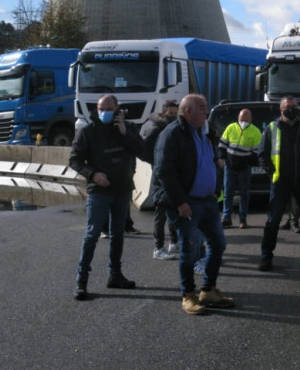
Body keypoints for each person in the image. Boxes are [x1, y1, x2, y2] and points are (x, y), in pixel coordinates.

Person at [150, 94, 235, 315]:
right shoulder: (172, 135)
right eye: (202, 108)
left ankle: (208, 289)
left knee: (218, 244)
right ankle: (188, 295)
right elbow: (164, 172)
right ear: (187, 111)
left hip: (207, 201)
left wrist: (216, 186)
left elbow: (212, 161)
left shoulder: (205, 131)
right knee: (190, 250)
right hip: (186, 204)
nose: (206, 112)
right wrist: (180, 202)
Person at [70, 94, 147, 301]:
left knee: (118, 233)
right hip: (99, 191)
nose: (103, 112)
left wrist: (124, 133)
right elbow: (74, 160)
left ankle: (115, 274)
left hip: (122, 190)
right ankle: (81, 280)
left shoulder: (127, 128)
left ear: (117, 110)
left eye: (108, 109)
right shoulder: (88, 132)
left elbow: (143, 152)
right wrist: (93, 173)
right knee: (92, 234)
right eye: (100, 108)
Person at [257, 96, 300, 271]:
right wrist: (272, 173)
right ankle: (266, 256)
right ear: (281, 110)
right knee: (273, 220)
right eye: (289, 107)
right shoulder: (272, 128)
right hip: (281, 182)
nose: (293, 109)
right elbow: (263, 154)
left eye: (295, 106)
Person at [140, 99, 179, 260]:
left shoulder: (176, 129)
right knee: (161, 212)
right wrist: (156, 162)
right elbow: (143, 150)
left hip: (174, 174)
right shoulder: (156, 130)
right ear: (163, 114)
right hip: (160, 176)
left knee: (174, 210)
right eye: (170, 114)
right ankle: (158, 247)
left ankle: (175, 242)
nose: (174, 116)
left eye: (176, 113)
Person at [218, 108, 261, 229]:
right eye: (242, 119)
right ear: (238, 118)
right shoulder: (231, 128)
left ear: (251, 120)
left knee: (243, 195)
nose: (243, 122)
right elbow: (222, 144)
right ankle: (226, 218)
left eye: (246, 120)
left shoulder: (255, 131)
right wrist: (222, 157)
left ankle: (243, 219)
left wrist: (245, 161)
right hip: (229, 167)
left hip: (244, 168)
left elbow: (256, 152)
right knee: (228, 194)